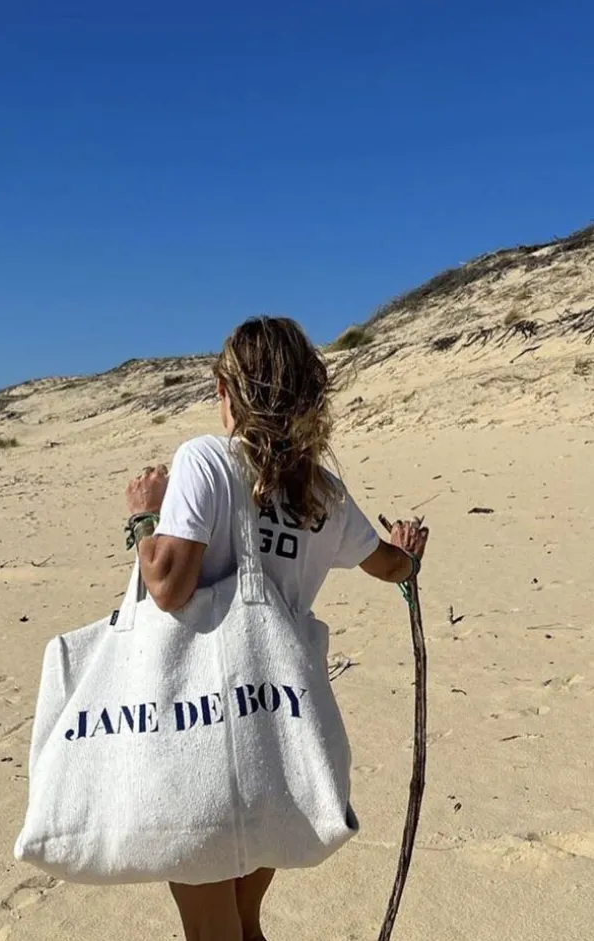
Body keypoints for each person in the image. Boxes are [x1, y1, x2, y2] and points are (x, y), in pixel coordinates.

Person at [123, 316, 429, 941]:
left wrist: (145, 517)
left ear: (227, 390)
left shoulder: (206, 461)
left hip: (200, 731)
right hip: (279, 733)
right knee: (244, 919)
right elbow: (390, 566)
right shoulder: (323, 493)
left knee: (211, 928)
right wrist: (407, 554)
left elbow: (167, 586)